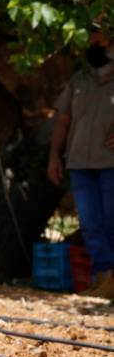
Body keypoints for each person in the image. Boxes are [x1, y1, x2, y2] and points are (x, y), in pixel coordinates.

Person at [48, 30, 114, 297]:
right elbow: (62, 121)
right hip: (78, 164)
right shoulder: (79, 80)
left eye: (101, 40)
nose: (94, 45)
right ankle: (104, 276)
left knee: (111, 221)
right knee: (90, 223)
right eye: (91, 39)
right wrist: (54, 156)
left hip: (110, 164)